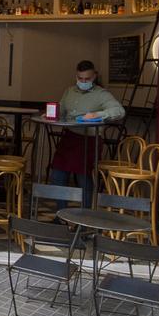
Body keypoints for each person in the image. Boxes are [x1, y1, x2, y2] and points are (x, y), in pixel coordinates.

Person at [48, 60, 126, 207]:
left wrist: (98, 114)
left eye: (87, 79)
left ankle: (85, 218)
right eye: (80, 78)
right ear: (76, 76)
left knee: (83, 178)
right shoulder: (69, 91)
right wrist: (52, 114)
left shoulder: (102, 94)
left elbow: (119, 111)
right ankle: (61, 214)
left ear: (94, 76)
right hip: (69, 137)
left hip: (89, 140)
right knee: (57, 175)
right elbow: (61, 111)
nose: (83, 82)